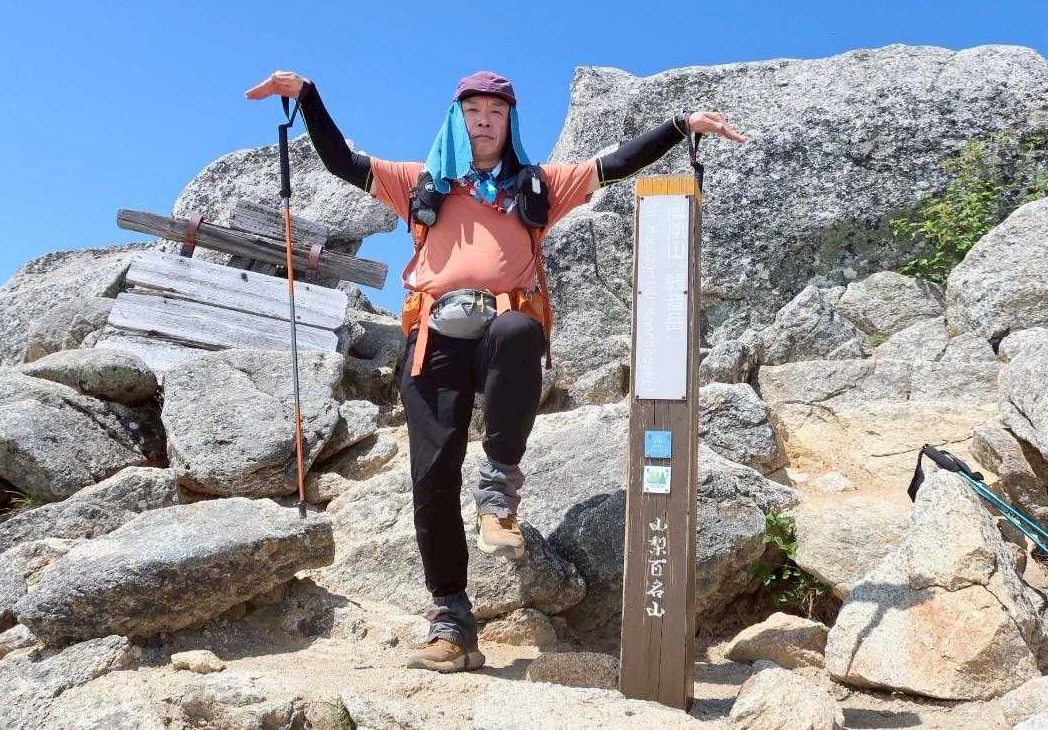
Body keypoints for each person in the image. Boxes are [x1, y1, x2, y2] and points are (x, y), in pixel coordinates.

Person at [246, 69, 746, 673]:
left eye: (496, 112)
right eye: (473, 111)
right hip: (434, 340)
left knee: (518, 331)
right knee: (432, 477)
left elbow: (614, 164)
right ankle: (452, 622)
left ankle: (499, 491)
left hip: (500, 334)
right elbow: (341, 162)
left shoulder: (539, 187)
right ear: (457, 120)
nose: (484, 121)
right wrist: (307, 96)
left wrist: (679, 126)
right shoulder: (420, 183)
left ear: (510, 122)